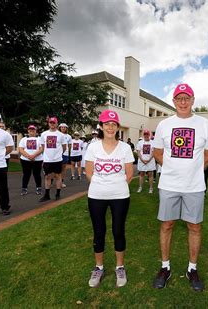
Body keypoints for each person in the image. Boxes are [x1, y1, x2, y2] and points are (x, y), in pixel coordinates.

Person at [152, 83, 208, 292]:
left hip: (194, 186)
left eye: (186, 98)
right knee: (167, 224)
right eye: (179, 98)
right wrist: (172, 168)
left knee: (194, 226)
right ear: (174, 102)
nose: (183, 102)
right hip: (169, 184)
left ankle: (192, 268)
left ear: (193, 100)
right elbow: (157, 152)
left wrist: (195, 170)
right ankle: (165, 267)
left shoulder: (204, 123)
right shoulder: (164, 124)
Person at [85, 109, 134, 288]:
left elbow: (129, 174)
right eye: (107, 124)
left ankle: (120, 267)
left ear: (117, 127)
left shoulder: (125, 148)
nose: (110, 127)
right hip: (96, 195)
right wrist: (102, 184)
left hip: (120, 196)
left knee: (118, 231)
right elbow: (88, 173)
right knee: (99, 232)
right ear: (101, 126)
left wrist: (116, 186)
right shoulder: (93, 147)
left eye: (114, 124)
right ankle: (98, 267)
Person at [39, 117, 67, 202]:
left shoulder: (61, 135)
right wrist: (44, 157)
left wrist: (57, 154)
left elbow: (64, 147)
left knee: (58, 176)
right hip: (47, 160)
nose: (52, 124)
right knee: (47, 177)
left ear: (56, 124)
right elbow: (43, 147)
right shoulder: (44, 134)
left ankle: (57, 194)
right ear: (48, 123)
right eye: (50, 122)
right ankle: (47, 195)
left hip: (57, 160)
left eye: (54, 123)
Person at [18, 125, 43, 196]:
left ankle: (38, 188)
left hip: (37, 159)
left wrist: (34, 156)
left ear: (36, 131)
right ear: (28, 131)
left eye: (33, 130)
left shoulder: (39, 139)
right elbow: (21, 149)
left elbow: (41, 149)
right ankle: (24, 188)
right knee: (26, 174)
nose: (32, 131)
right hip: (25, 160)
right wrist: (28, 156)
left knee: (37, 174)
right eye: (30, 129)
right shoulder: (24, 139)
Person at [136, 129, 156, 194]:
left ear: (149, 135)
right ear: (143, 135)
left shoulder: (152, 142)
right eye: (145, 134)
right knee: (141, 174)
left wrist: (149, 160)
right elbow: (138, 152)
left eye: (147, 134)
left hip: (150, 161)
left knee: (150, 174)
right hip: (142, 161)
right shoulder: (140, 142)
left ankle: (151, 188)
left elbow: (153, 152)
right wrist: (142, 160)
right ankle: (140, 187)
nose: (146, 135)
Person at [59, 123, 72, 187]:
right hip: (57, 154)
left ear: (66, 128)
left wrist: (67, 152)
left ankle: (61, 182)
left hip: (65, 154)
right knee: (55, 168)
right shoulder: (57, 135)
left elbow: (69, 145)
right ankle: (52, 181)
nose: (63, 128)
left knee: (63, 168)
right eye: (62, 127)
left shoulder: (69, 136)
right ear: (60, 128)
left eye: (64, 127)